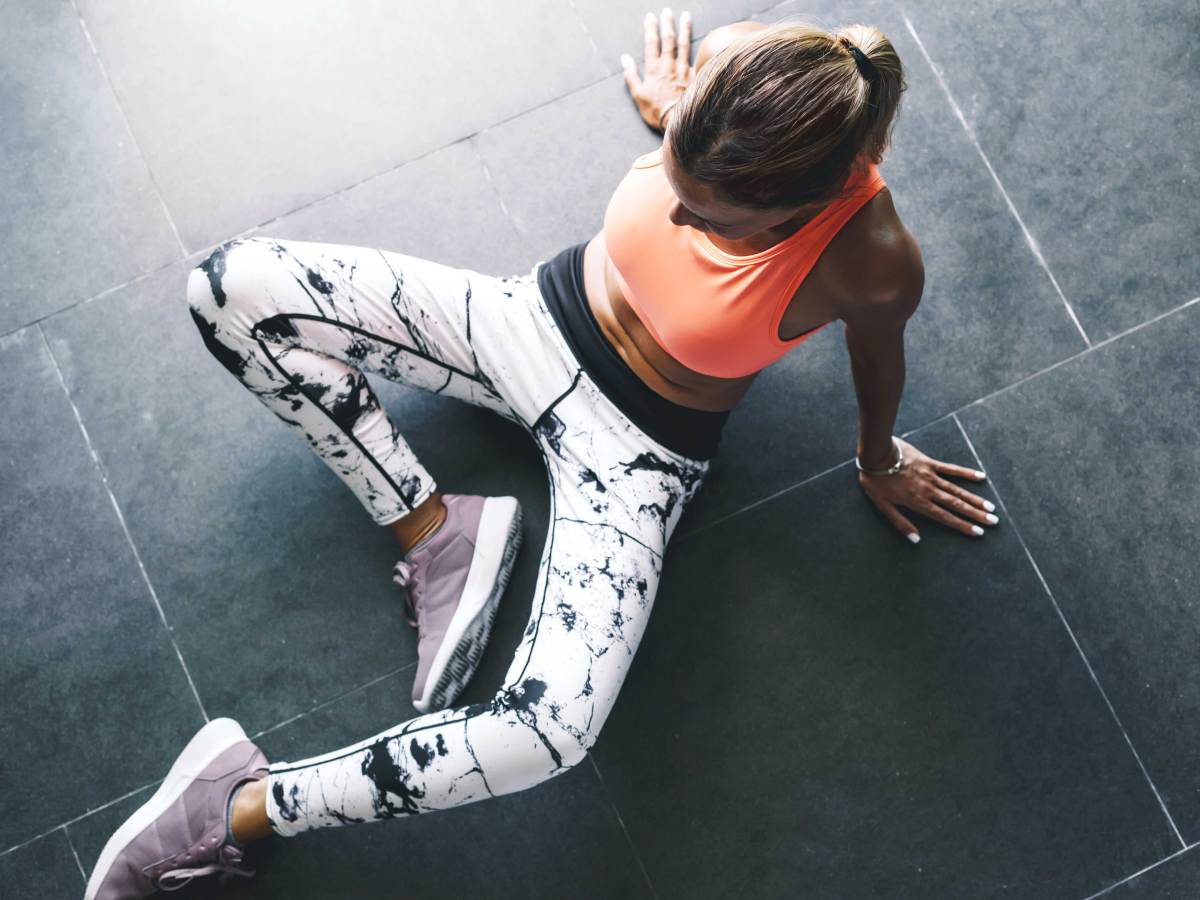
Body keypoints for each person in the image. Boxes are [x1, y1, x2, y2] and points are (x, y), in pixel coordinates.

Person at [85, 11, 999, 898]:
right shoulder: (736, 62)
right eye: (673, 177)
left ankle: (237, 807)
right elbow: (708, 155)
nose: (675, 214)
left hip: (637, 450)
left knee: (551, 732)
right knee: (227, 290)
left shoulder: (871, 255)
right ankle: (437, 533)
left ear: (800, 206)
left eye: (706, 217)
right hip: (527, 321)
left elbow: (879, 356)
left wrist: (878, 460)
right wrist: (683, 122)